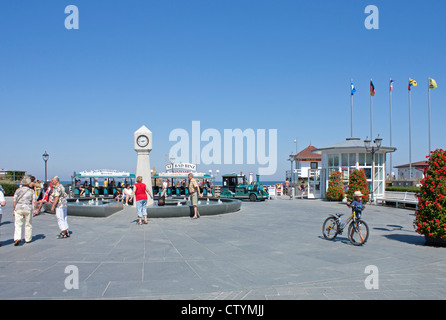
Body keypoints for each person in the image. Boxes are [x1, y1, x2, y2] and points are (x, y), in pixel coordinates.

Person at [12, 176, 37, 246]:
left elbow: (14, 200)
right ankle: (28, 238)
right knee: (28, 224)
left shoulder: (18, 190)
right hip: (28, 208)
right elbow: (34, 201)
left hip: (19, 208)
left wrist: (14, 209)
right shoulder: (31, 191)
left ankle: (17, 238)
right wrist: (35, 209)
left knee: (18, 224)